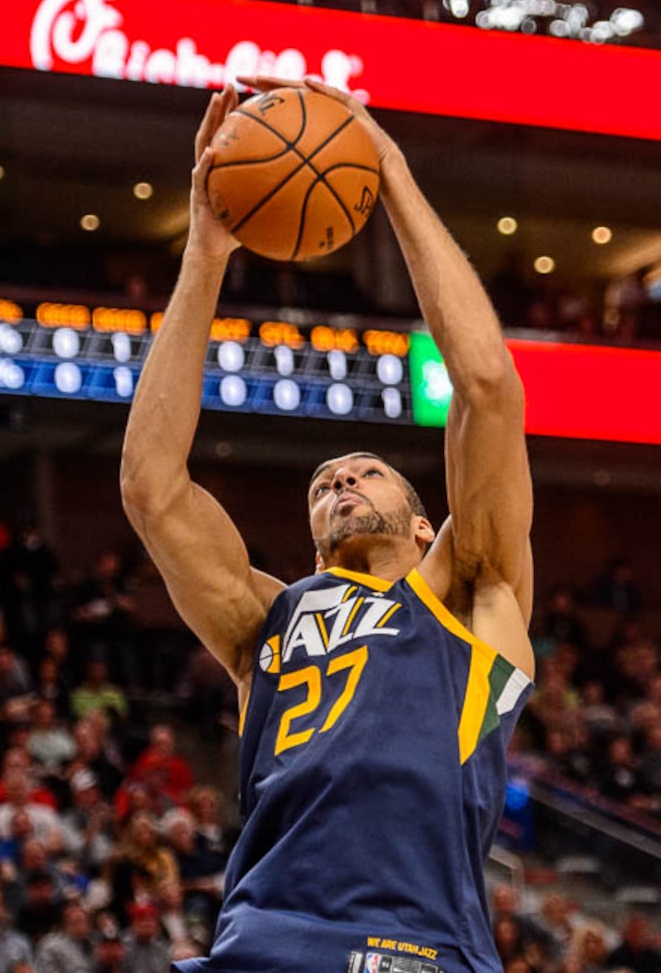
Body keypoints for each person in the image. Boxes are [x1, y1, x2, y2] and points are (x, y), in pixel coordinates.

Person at [120, 77, 535, 973]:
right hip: (256, 945)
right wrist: (206, 248)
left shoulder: (472, 593)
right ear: (312, 543)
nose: (341, 476)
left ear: (425, 528)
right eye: (323, 482)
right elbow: (152, 490)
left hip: (415, 949)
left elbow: (488, 386)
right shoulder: (264, 622)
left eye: (367, 471)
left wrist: (389, 170)